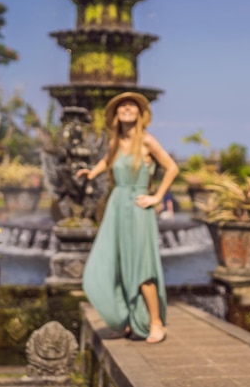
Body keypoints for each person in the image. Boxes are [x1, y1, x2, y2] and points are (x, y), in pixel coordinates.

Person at [76, 92, 179, 343]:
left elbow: (172, 168)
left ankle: (155, 323)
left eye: (132, 105)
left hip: (138, 207)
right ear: (116, 114)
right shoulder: (115, 142)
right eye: (122, 105)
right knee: (117, 264)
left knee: (142, 266)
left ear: (139, 113)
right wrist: (91, 173)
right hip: (116, 207)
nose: (127, 108)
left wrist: (157, 197)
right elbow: (106, 161)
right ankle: (128, 321)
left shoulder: (146, 141)